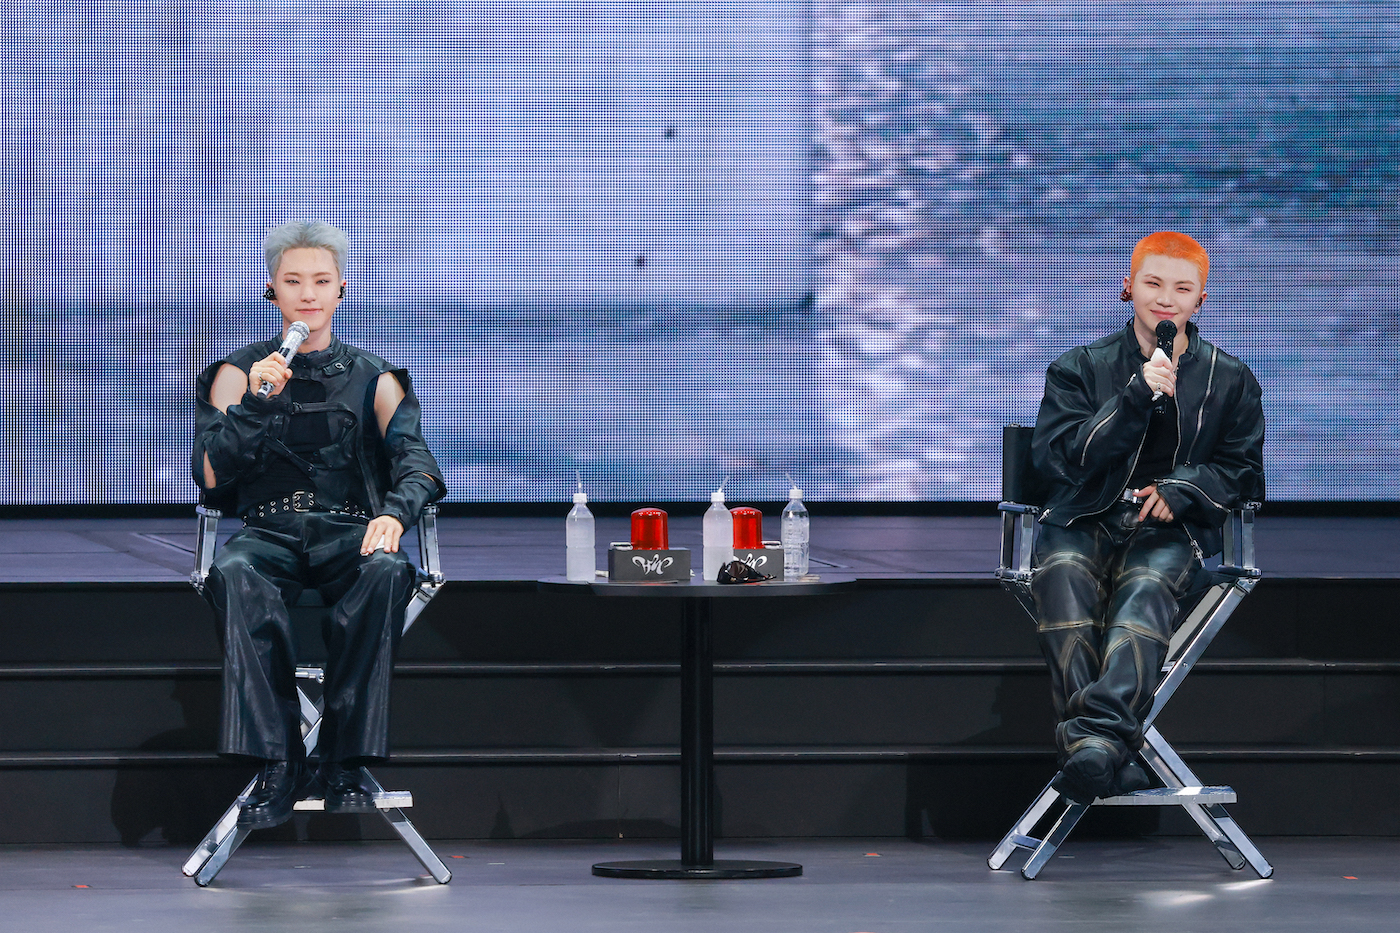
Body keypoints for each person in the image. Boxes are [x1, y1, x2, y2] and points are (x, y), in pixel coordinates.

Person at [192, 221, 446, 829]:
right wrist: (255, 404)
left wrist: (394, 513)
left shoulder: (376, 377)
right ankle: (278, 762)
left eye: (321, 281)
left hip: (348, 531)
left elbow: (420, 467)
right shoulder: (236, 373)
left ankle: (344, 761)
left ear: (341, 290)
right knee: (235, 572)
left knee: (387, 572)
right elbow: (211, 476)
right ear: (271, 291)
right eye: (293, 281)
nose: (308, 294)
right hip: (268, 534)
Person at [1029, 231, 1264, 804]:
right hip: (1083, 518)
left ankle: (1093, 746)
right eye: (1153, 283)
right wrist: (1133, 397)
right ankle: (1104, 747)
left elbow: (1243, 473)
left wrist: (1183, 487)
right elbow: (1060, 460)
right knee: (1063, 575)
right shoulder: (1079, 368)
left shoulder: (1230, 377)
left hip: (1168, 529)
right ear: (1127, 287)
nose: (1166, 299)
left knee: (1144, 591)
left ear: (1200, 299)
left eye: (1182, 289)